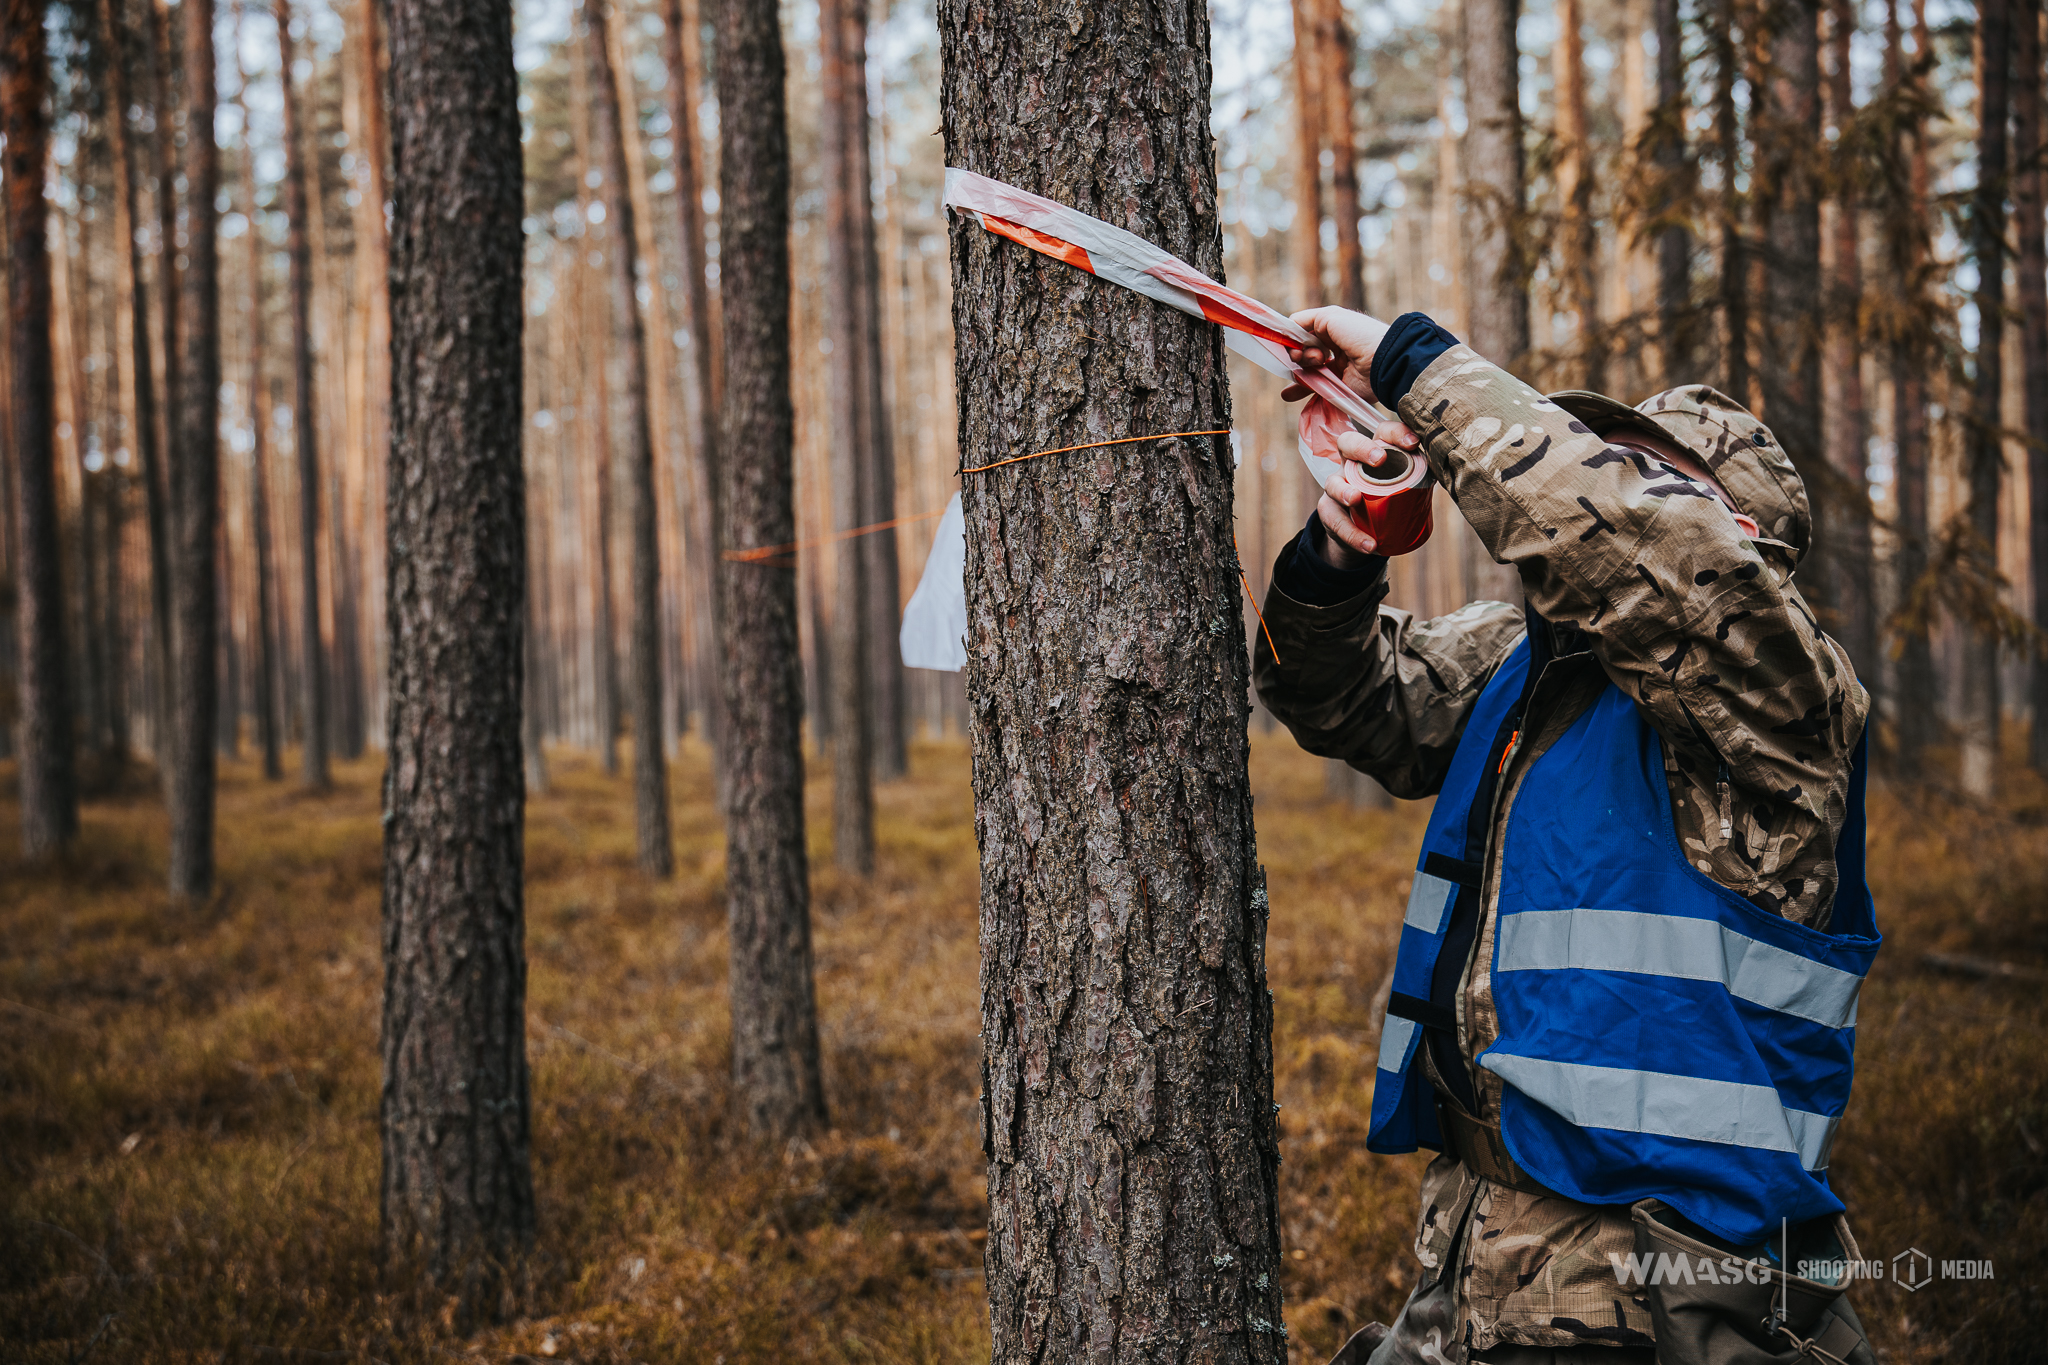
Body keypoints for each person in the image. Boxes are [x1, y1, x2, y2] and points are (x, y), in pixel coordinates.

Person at [1253, 309, 1880, 1365]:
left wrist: (1415, 365)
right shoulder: (1529, 663)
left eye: (1642, 476)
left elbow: (1646, 559)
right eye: (1600, 461)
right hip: (1472, 1248)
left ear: (1744, 545)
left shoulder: (1784, 698)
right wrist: (1341, 552)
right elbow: (1342, 696)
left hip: (1661, 1286)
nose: (1593, 489)